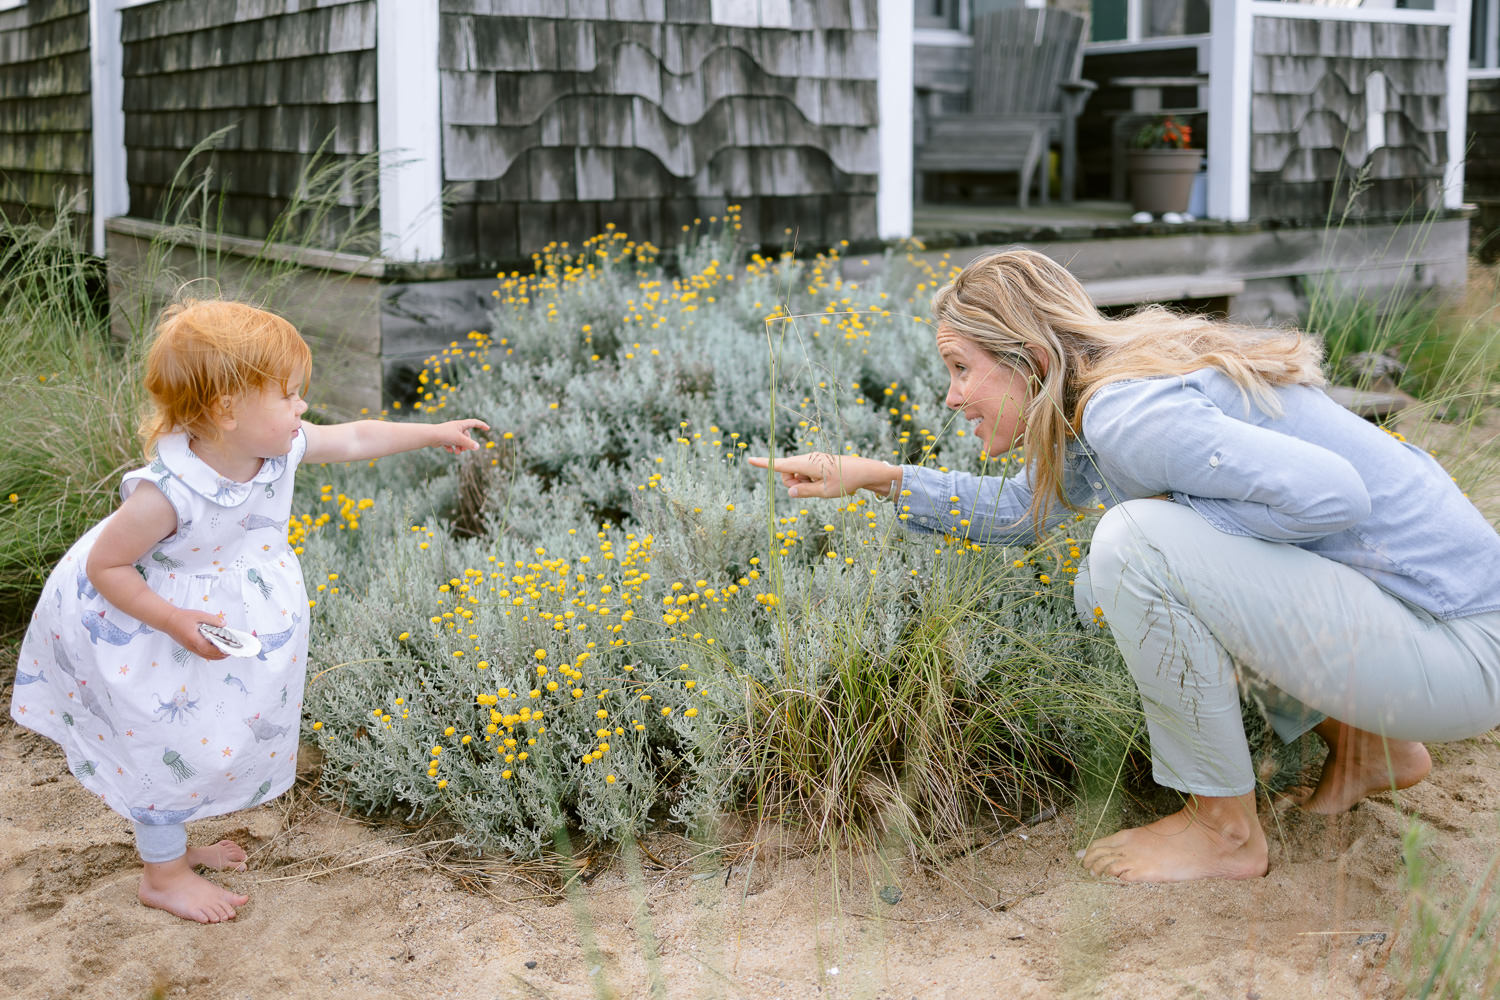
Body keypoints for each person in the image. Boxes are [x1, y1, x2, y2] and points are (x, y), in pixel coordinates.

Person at [749, 248, 1500, 883]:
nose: (952, 396)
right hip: (1443, 633)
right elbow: (1021, 511)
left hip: (1463, 645)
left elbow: (1338, 498)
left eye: (961, 368)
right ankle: (1368, 746)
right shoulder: (1104, 395)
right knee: (1135, 557)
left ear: (1031, 360)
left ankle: (1224, 831)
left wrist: (1176, 524)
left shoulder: (1125, 413)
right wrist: (875, 476)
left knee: (1136, 545)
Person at [9, 300, 489, 922]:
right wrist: (175, 621)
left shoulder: (278, 449)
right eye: (288, 396)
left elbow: (356, 436)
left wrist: (431, 431)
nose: (303, 408)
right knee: (166, 739)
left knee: (210, 729)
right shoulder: (168, 493)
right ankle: (163, 874)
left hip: (219, 616)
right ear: (225, 410)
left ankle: (175, 842)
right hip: (152, 622)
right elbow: (107, 567)